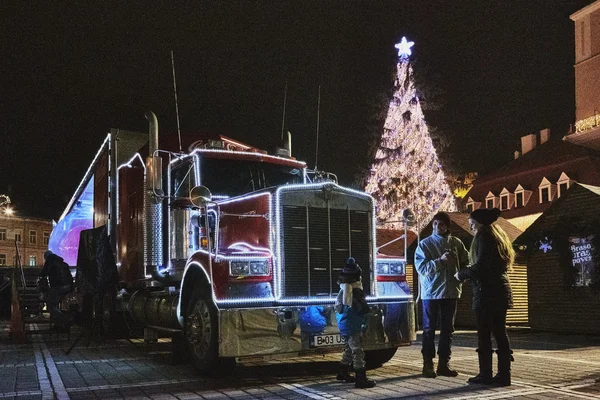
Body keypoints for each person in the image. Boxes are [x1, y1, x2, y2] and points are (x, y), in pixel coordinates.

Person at [455, 208, 514, 386]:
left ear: (479, 223)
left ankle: (485, 374)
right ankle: (504, 375)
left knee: (484, 335)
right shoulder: (498, 236)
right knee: (500, 334)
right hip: (500, 290)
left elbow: (481, 266)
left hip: (487, 293)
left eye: (472, 224)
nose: (470, 227)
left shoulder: (483, 237)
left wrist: (461, 274)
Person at [415, 212, 469, 378]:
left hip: (451, 292)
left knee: (448, 329)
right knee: (429, 329)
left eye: (441, 224)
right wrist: (440, 261)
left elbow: (466, 263)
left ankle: (444, 364)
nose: (438, 227)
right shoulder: (425, 244)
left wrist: (461, 277)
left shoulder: (456, 243)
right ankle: (427, 364)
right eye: (435, 223)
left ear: (447, 226)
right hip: (431, 293)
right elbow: (422, 268)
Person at [335, 257, 376, 389]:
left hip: (344, 324)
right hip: (353, 324)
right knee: (357, 351)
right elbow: (362, 309)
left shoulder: (343, 289)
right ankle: (361, 379)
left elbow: (338, 308)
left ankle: (342, 371)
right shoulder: (356, 290)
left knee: (349, 348)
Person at [39, 250, 74, 327]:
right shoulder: (63, 263)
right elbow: (70, 276)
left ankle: (64, 319)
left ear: (46, 257)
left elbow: (43, 274)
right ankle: (59, 325)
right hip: (68, 287)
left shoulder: (50, 261)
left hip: (58, 287)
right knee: (56, 304)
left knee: (50, 305)